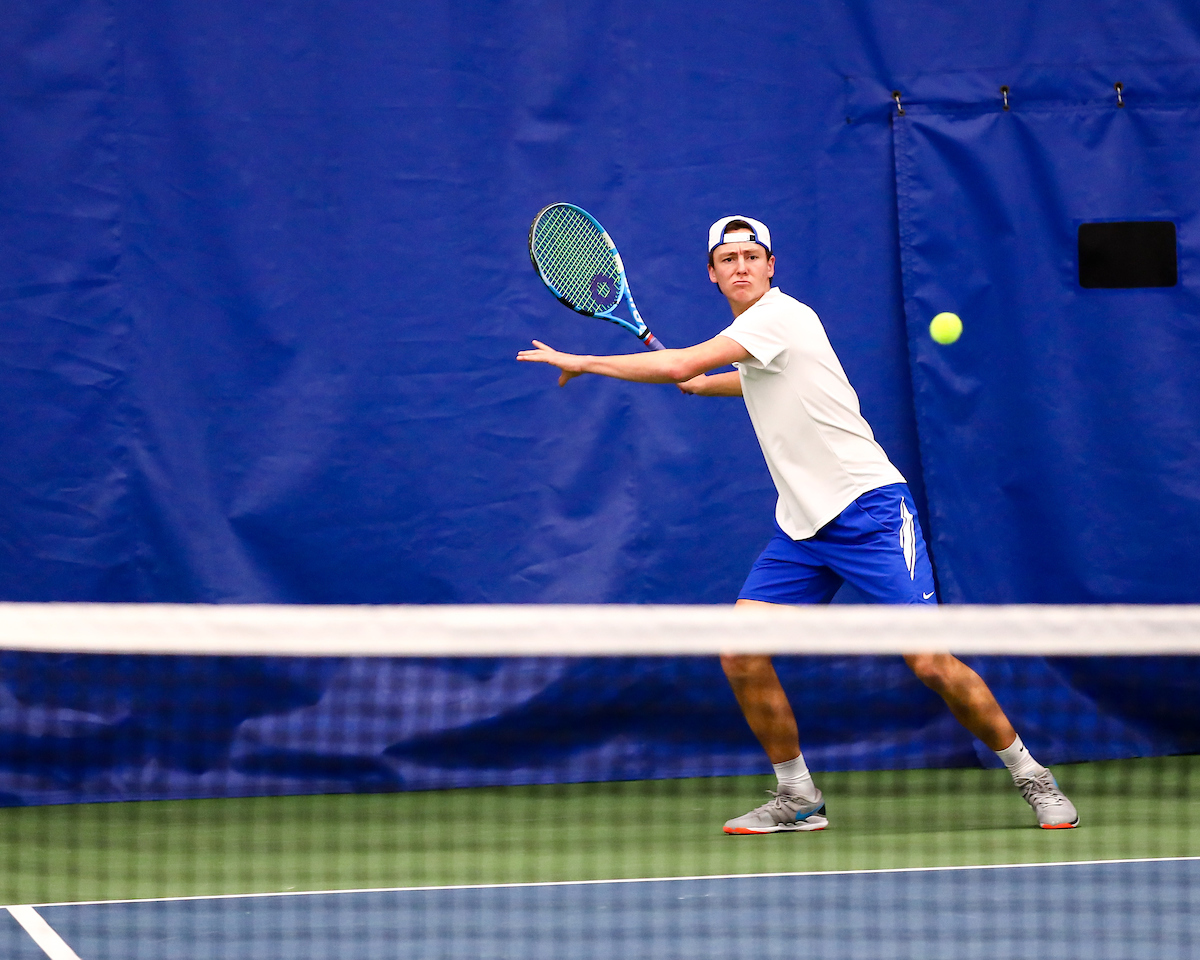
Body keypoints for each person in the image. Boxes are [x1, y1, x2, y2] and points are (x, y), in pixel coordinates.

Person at [517, 215, 1079, 833]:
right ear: (713, 273)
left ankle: (1033, 777)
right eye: (727, 258)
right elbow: (756, 379)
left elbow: (679, 367)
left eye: (751, 255)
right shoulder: (756, 336)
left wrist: (588, 361)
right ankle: (798, 798)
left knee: (931, 663)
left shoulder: (781, 316)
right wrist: (711, 386)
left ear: (770, 266)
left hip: (869, 510)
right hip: (804, 527)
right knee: (740, 651)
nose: (740, 265)